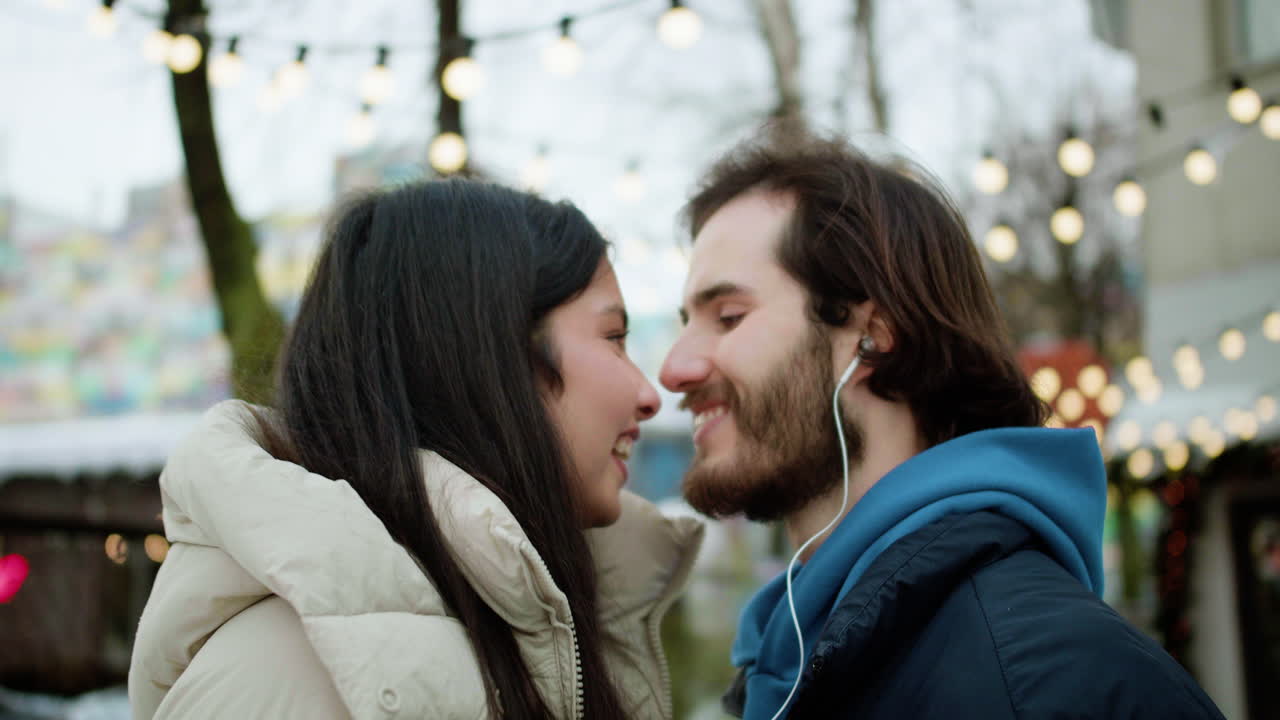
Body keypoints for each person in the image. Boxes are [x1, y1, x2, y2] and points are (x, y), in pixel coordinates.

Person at [658, 130, 1225, 719]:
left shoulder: (1056, 680)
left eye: (728, 317)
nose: (674, 369)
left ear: (872, 336)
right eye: (685, 322)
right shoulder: (794, 657)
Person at [129, 179, 704, 719]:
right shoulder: (278, 677)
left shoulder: (538, 619)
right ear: (491, 359)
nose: (648, 394)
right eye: (613, 338)